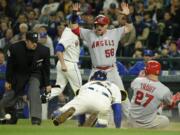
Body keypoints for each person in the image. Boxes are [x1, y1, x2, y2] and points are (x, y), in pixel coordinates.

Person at [68, 1, 132, 118]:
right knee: (88, 95)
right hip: (96, 71)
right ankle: (88, 119)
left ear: (107, 25)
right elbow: (74, 28)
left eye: (101, 25)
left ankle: (132, 120)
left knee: (122, 95)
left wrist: (128, 15)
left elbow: (129, 27)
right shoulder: (89, 34)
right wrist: (74, 14)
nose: (99, 27)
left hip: (112, 71)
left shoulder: (115, 32)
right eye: (97, 25)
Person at [0, 31, 51, 125]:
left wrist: (47, 84)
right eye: (32, 42)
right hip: (19, 74)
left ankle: (36, 118)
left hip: (35, 73)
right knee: (8, 98)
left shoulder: (44, 50)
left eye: (36, 41)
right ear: (26, 41)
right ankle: (10, 115)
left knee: (34, 90)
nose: (35, 44)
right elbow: (10, 66)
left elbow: (46, 68)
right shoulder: (14, 48)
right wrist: (8, 80)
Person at [51, 70, 122, 128]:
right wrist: (118, 127)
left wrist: (81, 123)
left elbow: (81, 107)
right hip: (103, 101)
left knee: (76, 107)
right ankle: (99, 124)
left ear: (93, 78)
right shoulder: (113, 86)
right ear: (106, 80)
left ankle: (58, 113)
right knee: (103, 122)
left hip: (86, 95)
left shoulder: (88, 84)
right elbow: (117, 109)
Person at [128, 60, 177, 129]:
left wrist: (140, 77)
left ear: (146, 70)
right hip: (147, 125)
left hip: (131, 121)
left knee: (157, 103)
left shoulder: (137, 80)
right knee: (165, 119)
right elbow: (170, 106)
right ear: (158, 72)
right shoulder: (164, 89)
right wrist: (173, 100)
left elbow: (132, 84)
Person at [47, 23, 82, 101]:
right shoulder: (69, 33)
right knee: (80, 91)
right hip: (69, 63)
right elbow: (59, 49)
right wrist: (63, 65)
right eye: (78, 24)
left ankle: (41, 99)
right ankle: (82, 112)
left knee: (58, 88)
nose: (79, 26)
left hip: (64, 62)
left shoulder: (69, 32)